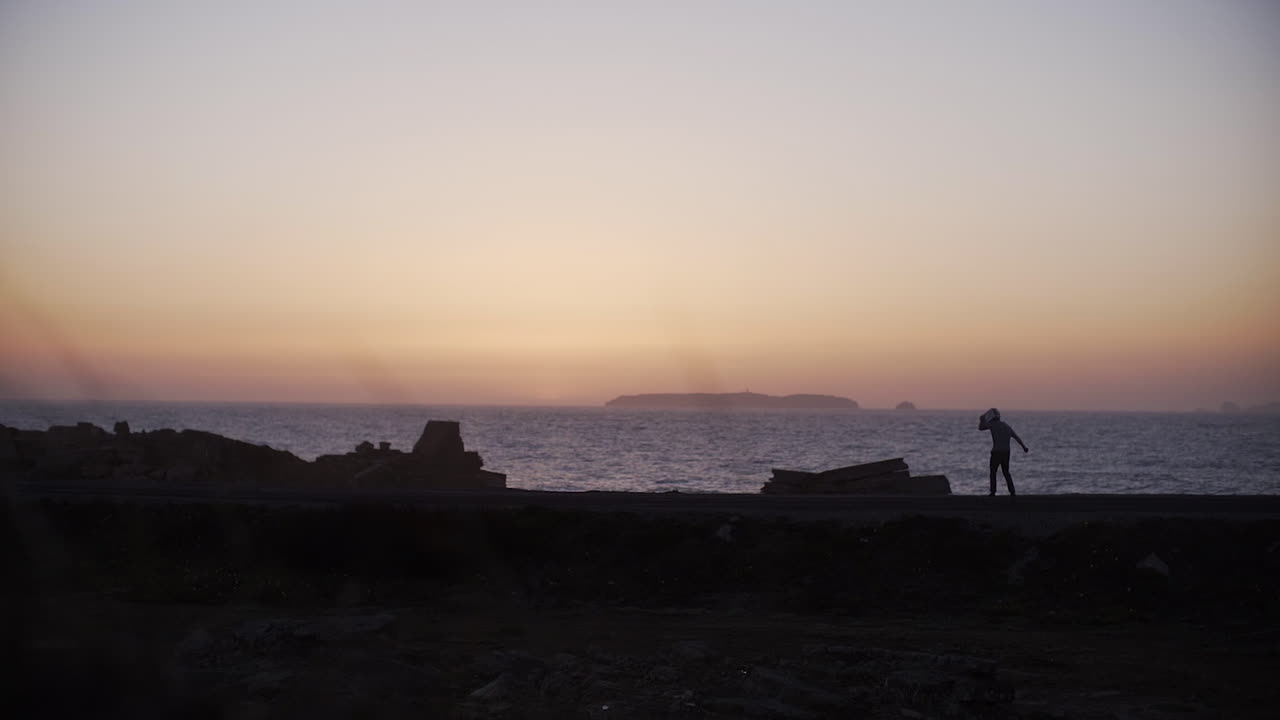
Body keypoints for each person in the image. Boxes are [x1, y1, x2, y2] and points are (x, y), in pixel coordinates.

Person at [979, 408, 1027, 496]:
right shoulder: (1006, 426)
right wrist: (1024, 447)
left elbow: (981, 428)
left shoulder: (992, 425)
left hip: (996, 452)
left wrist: (981, 420)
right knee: (1006, 472)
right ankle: (1012, 491)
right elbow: (1016, 437)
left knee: (993, 472)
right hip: (1006, 452)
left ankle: (993, 492)